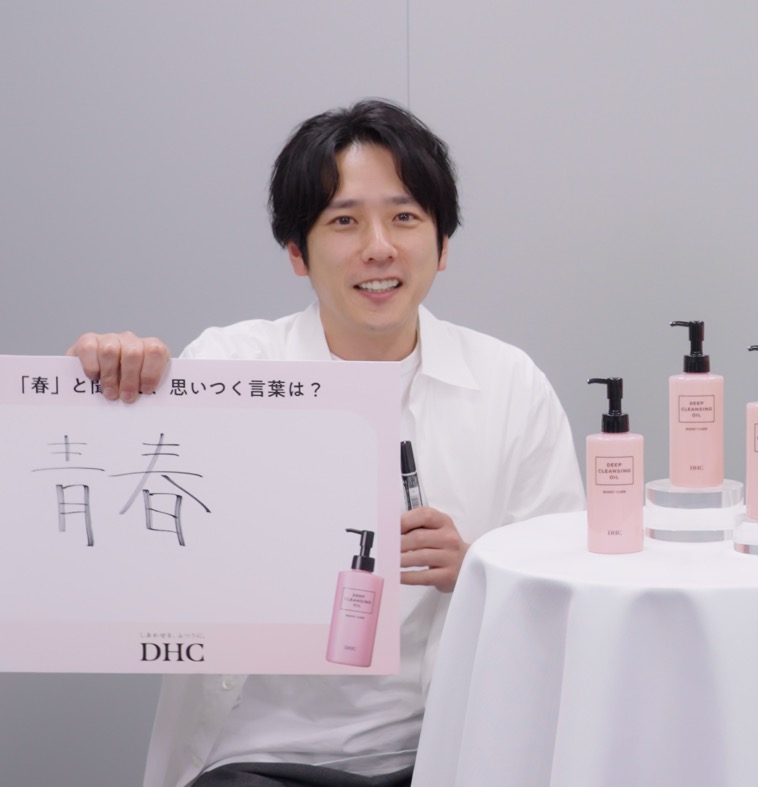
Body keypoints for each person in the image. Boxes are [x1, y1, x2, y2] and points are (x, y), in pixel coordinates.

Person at [69, 99, 585, 787]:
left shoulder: (510, 385)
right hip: (258, 759)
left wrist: (476, 569)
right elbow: (127, 529)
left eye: (405, 217)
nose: (379, 246)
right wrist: (105, 381)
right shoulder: (231, 367)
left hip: (442, 756)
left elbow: (569, 597)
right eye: (344, 221)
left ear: (443, 245)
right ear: (296, 253)